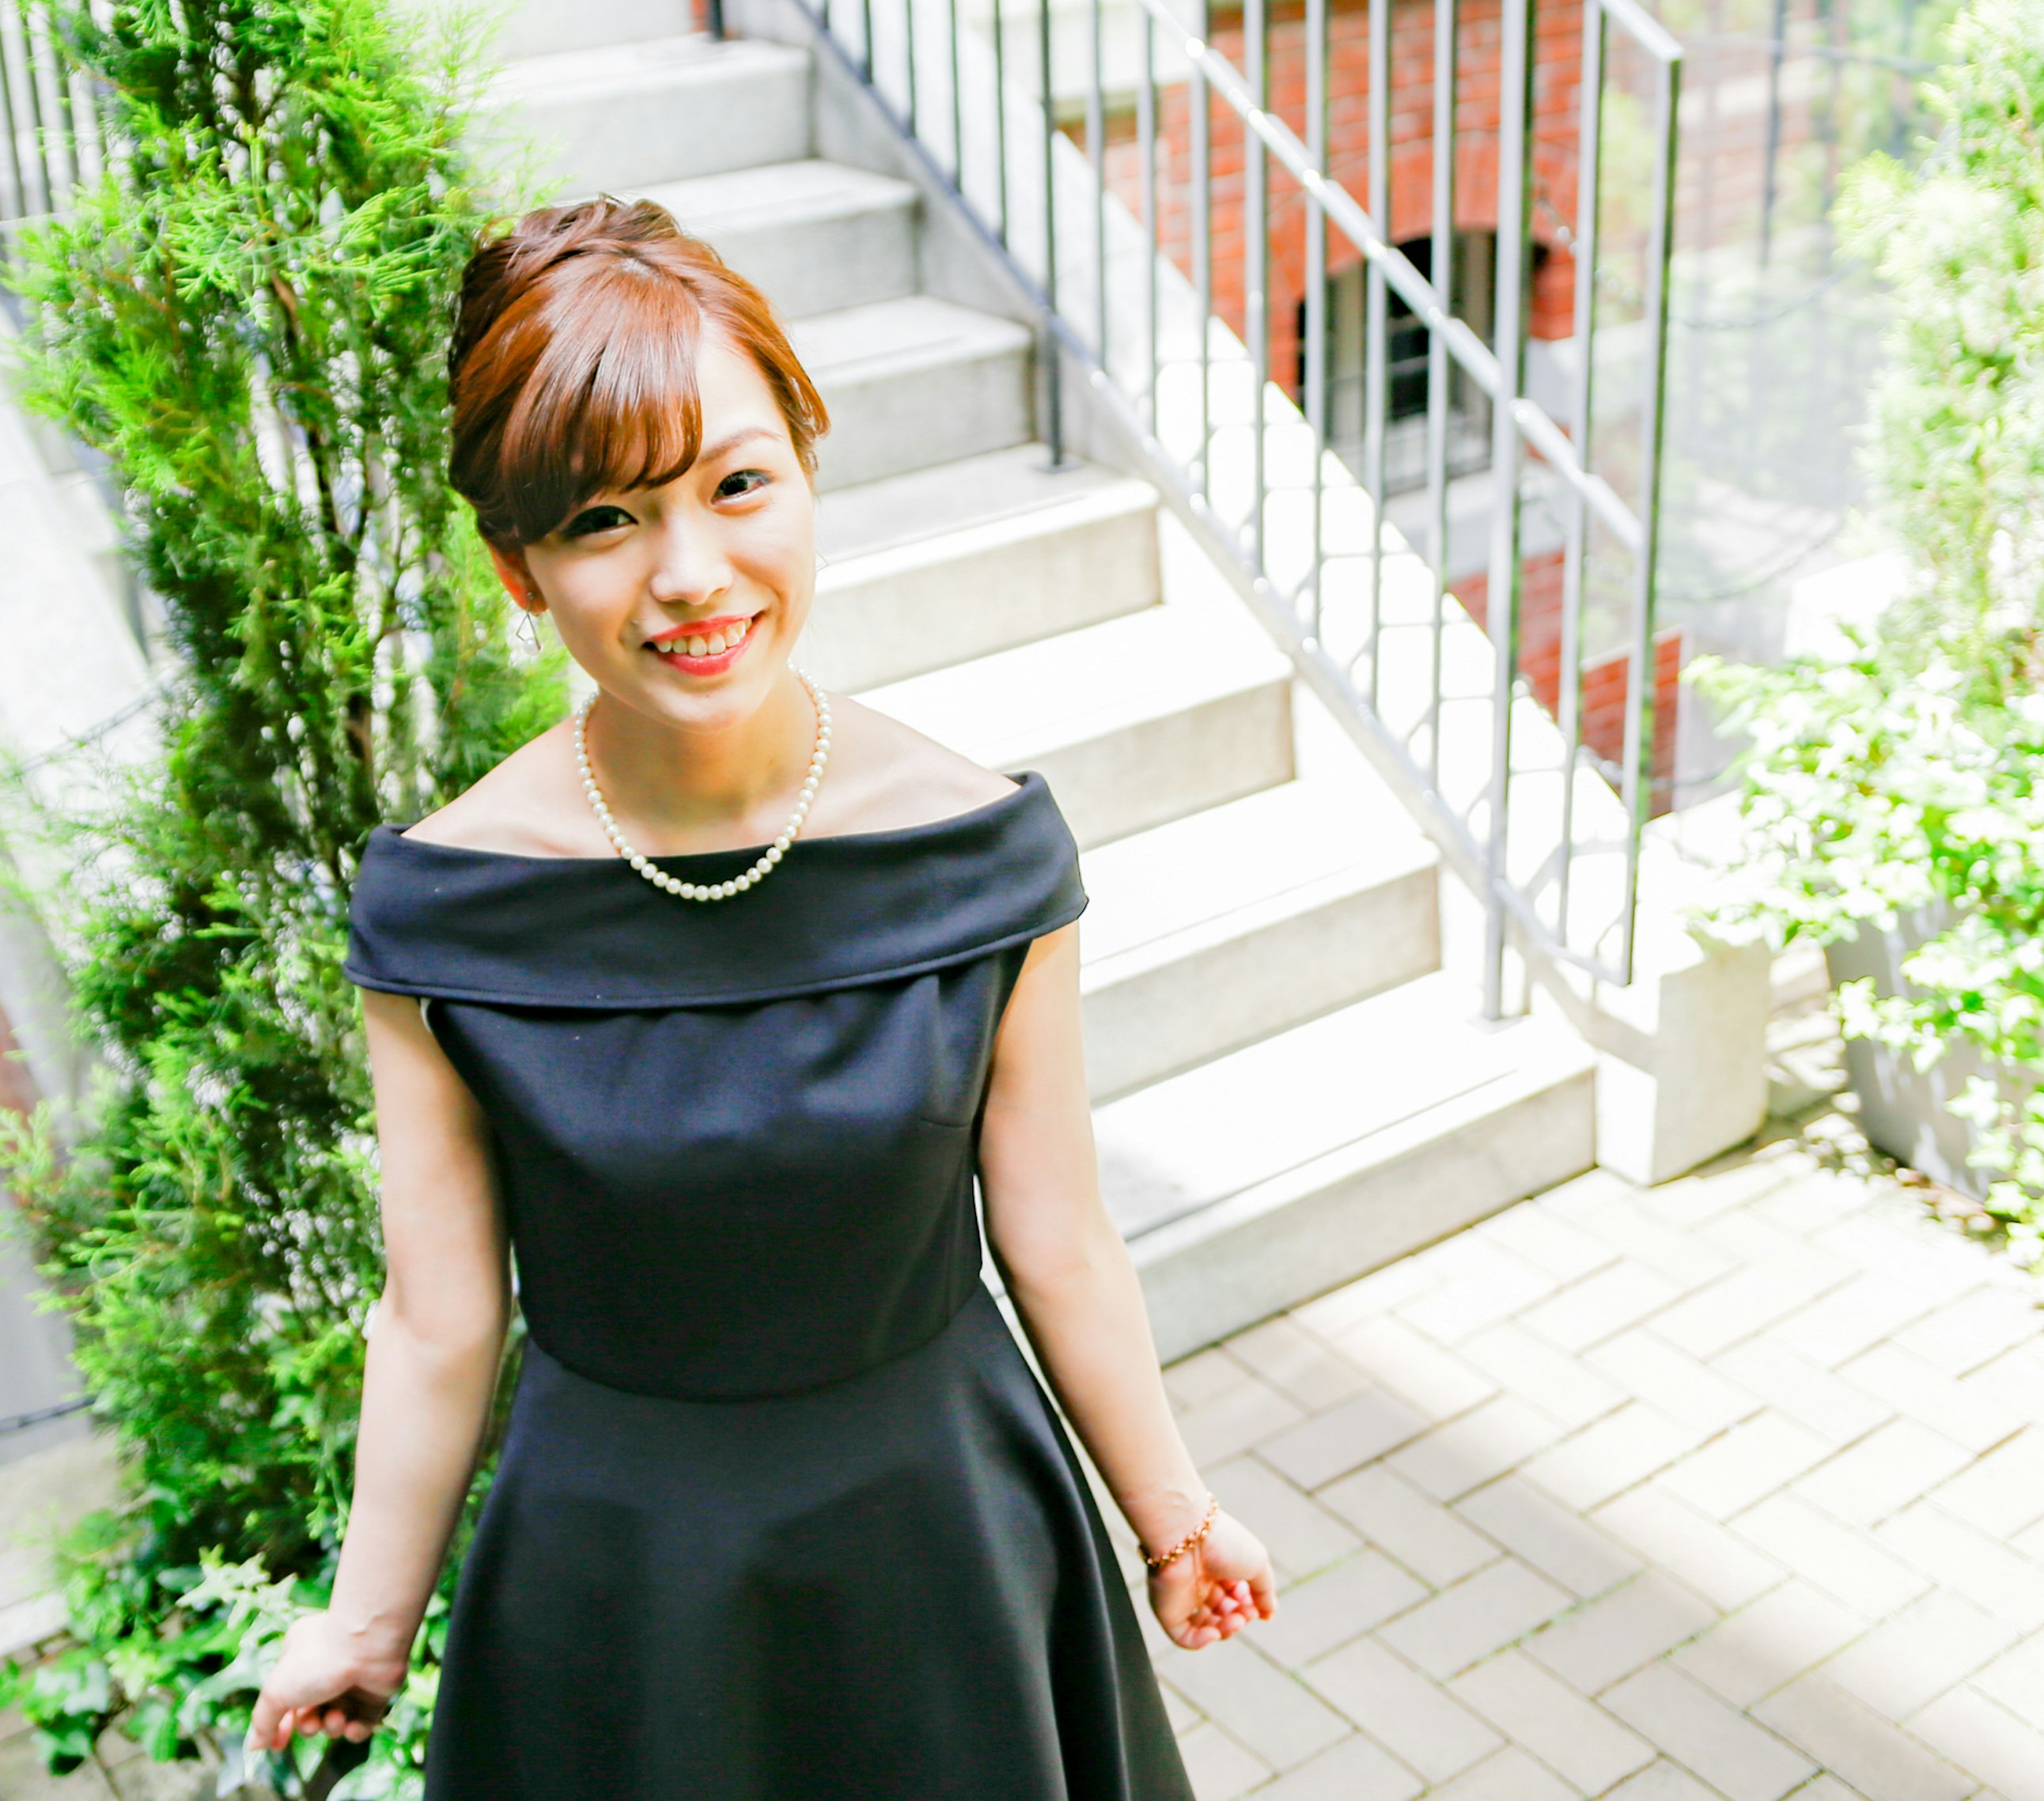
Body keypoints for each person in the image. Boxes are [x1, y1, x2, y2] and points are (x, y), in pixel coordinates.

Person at [244, 196, 1274, 1796]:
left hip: (945, 1540)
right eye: (602, 519)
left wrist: (1176, 1513)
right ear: (518, 566)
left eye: (737, 484)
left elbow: (1056, 1228)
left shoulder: (981, 850)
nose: (691, 574)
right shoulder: (445, 904)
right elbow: (441, 1308)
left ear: (808, 464)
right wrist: (365, 1623)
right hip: (618, 1575)